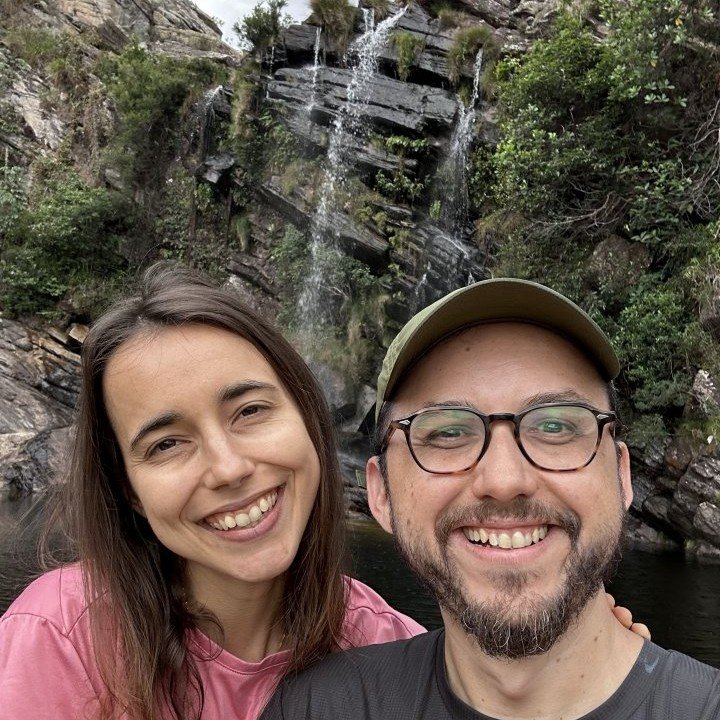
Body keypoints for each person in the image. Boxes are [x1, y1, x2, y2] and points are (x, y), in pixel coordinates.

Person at [260, 278, 720, 720]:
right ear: (380, 494)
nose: (503, 480)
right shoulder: (314, 707)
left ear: (622, 475)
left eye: (555, 425)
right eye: (448, 432)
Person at [0, 263, 424, 720]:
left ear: (306, 414)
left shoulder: (394, 653)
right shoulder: (61, 638)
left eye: (249, 411)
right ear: (130, 490)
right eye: (166, 444)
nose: (228, 469)